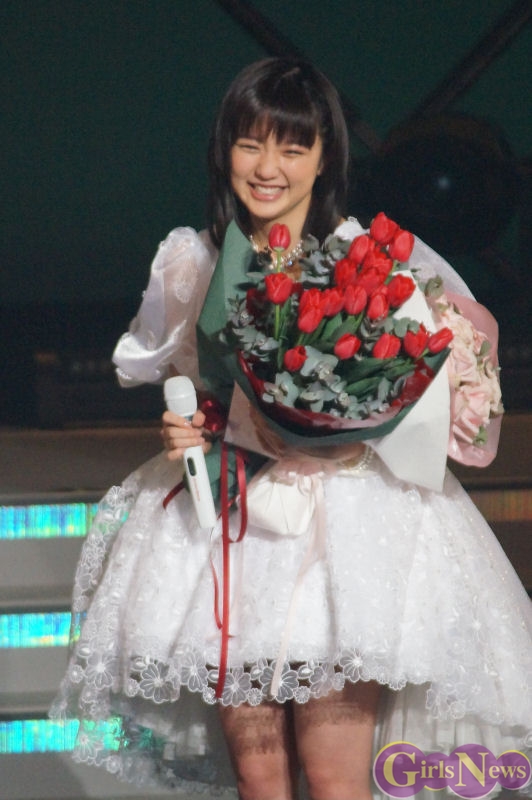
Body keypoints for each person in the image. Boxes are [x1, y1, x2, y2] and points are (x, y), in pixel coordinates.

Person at [51, 58, 532, 800]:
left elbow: (418, 396)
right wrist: (185, 426)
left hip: (348, 535)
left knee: (337, 779)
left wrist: (349, 430)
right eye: (250, 145)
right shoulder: (192, 261)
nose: (267, 168)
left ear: (324, 156)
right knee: (259, 778)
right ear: (225, 151)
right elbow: (181, 378)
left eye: (292, 147)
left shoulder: (371, 264)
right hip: (229, 525)